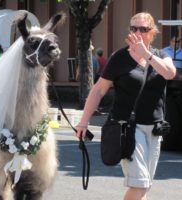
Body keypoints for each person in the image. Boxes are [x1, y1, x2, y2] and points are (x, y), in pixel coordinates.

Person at [75, 12, 176, 200]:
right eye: (133, 28)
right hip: (128, 128)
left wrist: (146, 54)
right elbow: (98, 90)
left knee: (144, 187)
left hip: (154, 129)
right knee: (140, 184)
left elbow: (170, 73)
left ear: (152, 32)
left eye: (143, 29)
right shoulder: (119, 58)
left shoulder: (161, 56)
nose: (137, 32)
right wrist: (83, 122)